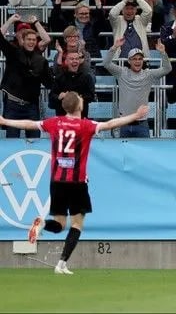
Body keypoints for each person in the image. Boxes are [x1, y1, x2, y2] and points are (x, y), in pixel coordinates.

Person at [2, 92, 148, 275]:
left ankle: (42, 225)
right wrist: (135, 115)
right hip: (77, 182)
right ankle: (61, 263)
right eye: (81, 98)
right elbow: (111, 124)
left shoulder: (54, 122)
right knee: (77, 224)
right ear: (79, 106)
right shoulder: (85, 126)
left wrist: (5, 121)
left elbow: (30, 124)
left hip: (57, 181)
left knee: (59, 225)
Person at [102, 39, 172, 138]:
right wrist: (114, 47)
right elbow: (106, 63)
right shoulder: (122, 72)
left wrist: (163, 53)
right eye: (134, 59)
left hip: (142, 124)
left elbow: (167, 69)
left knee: (144, 149)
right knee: (124, 149)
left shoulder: (149, 74)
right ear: (129, 61)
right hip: (124, 123)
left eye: (140, 59)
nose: (137, 61)